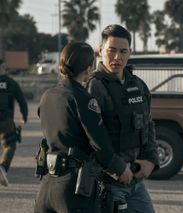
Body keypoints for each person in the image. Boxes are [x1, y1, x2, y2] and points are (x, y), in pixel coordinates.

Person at [34, 42, 131, 213]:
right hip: (73, 189)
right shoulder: (83, 99)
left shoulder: (47, 96)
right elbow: (99, 143)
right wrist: (121, 169)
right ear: (88, 69)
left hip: (47, 186)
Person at [86, 24, 159, 213]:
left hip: (136, 181)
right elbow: (93, 137)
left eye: (123, 51)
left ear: (130, 52)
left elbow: (148, 124)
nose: (117, 57)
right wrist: (117, 168)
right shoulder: (95, 87)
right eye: (112, 50)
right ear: (101, 50)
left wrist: (151, 160)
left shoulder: (138, 85)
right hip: (107, 182)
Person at [0, 58, 28, 187]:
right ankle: (3, 167)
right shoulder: (11, 83)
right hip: (5, 120)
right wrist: (24, 116)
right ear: (3, 67)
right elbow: (22, 101)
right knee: (10, 145)